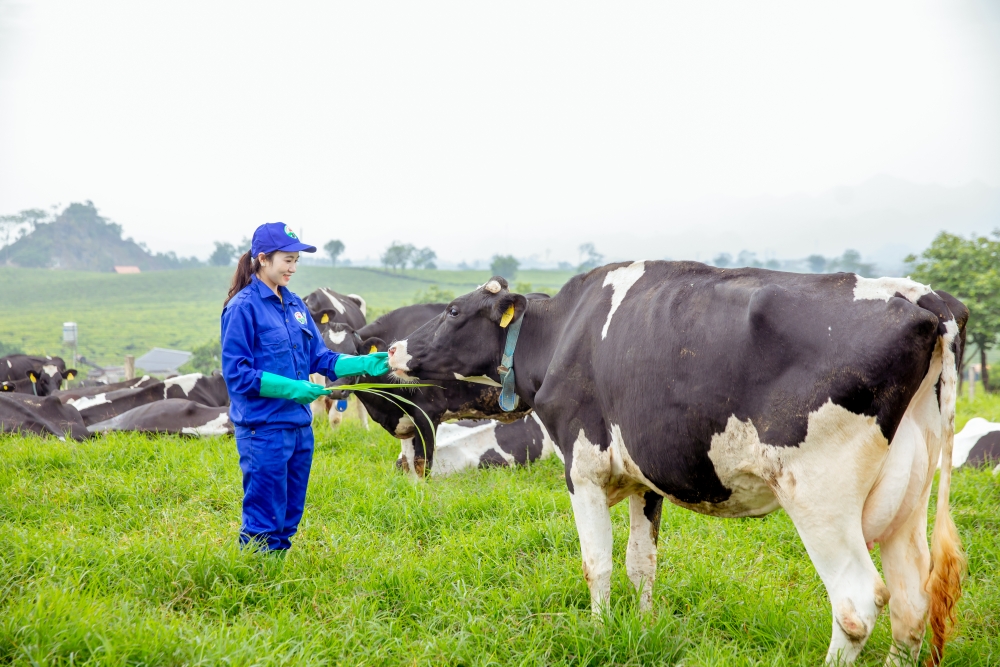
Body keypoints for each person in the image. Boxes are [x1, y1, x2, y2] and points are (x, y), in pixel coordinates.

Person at [221, 222, 389, 554]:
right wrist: (291, 389)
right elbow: (237, 374)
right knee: (263, 521)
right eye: (287, 260)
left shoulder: (296, 306)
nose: (293, 268)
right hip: (263, 429)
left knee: (288, 518)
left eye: (296, 260)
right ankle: (251, 589)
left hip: (299, 429)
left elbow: (320, 358)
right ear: (264, 258)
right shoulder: (242, 308)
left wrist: (362, 363)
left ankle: (276, 583)